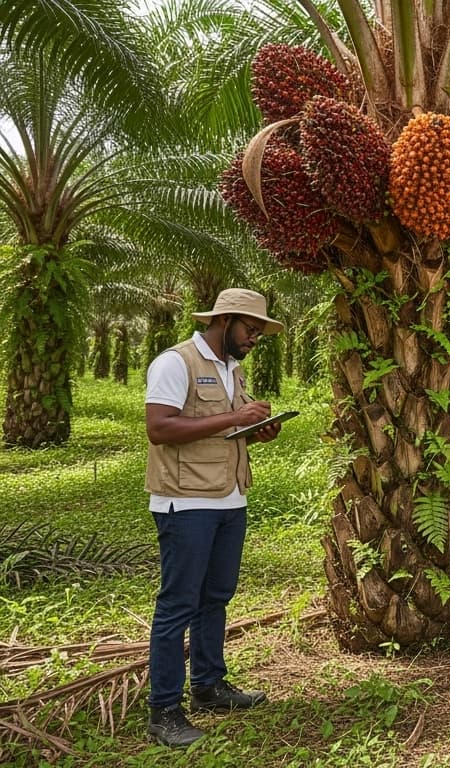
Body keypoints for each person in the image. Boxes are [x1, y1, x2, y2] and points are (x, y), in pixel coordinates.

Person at [144, 289, 284, 747]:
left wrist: (257, 430)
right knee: (178, 604)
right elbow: (160, 428)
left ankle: (208, 686)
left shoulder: (232, 369)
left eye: (260, 334)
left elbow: (227, 431)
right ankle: (164, 709)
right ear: (225, 321)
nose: (254, 340)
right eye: (250, 330)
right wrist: (231, 418)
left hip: (228, 498)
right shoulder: (175, 363)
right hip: (185, 502)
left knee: (216, 596)